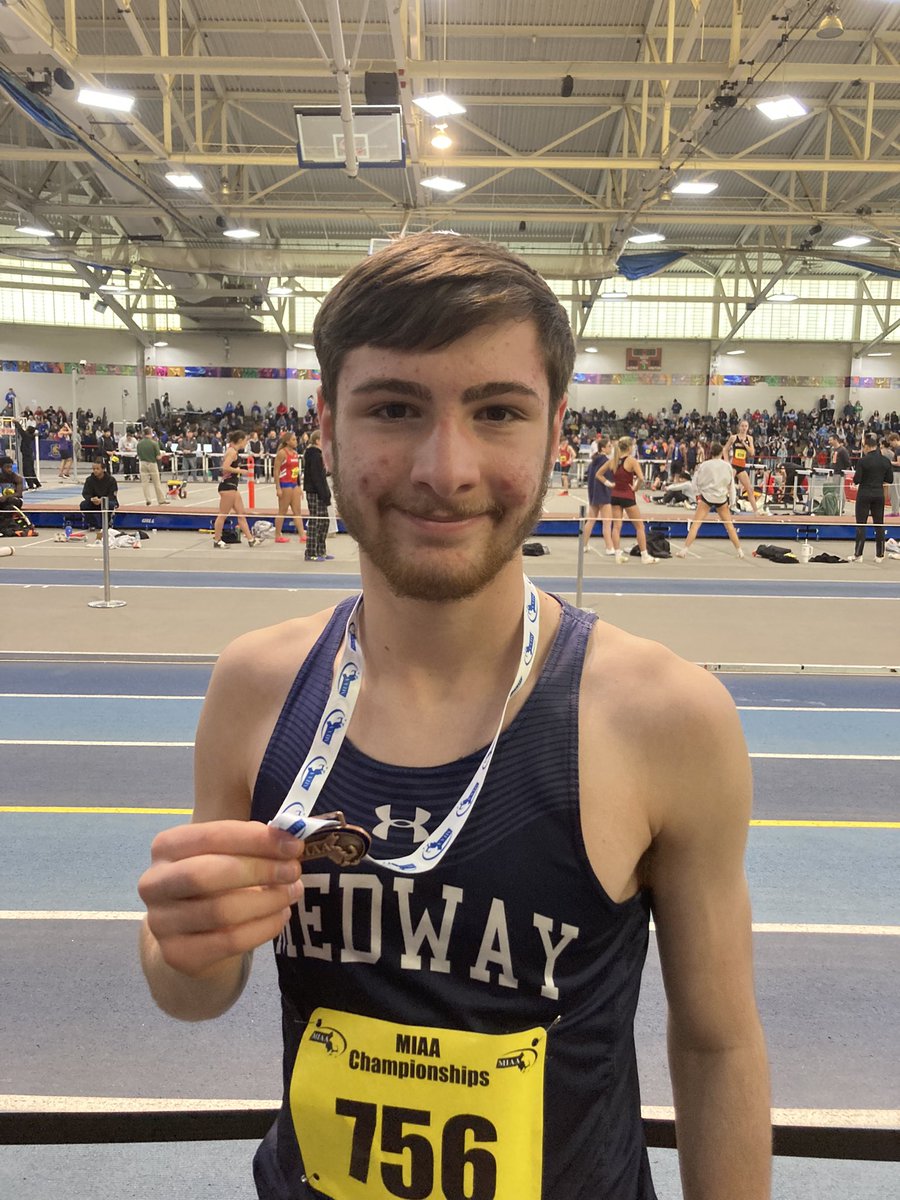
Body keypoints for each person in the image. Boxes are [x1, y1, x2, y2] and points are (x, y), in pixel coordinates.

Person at [138, 234, 770, 1200]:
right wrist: (178, 946)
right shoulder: (257, 687)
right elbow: (199, 995)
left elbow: (720, 1045)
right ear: (327, 427)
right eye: (394, 407)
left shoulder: (665, 716)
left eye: (497, 411)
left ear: (556, 432)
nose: (447, 467)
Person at [596, 435, 659, 564]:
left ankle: (618, 554)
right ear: (630, 448)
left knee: (617, 526)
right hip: (627, 496)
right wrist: (635, 488)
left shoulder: (613, 461)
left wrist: (609, 484)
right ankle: (644, 555)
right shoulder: (631, 461)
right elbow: (641, 478)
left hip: (614, 496)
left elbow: (599, 474)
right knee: (639, 526)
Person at [676, 443, 744, 559]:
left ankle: (684, 550)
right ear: (721, 453)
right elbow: (731, 484)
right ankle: (740, 551)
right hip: (722, 498)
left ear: (711, 452)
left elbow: (695, 482)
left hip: (706, 497)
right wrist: (732, 502)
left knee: (695, 525)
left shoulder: (704, 465)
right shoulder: (727, 466)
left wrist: (698, 494)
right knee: (729, 526)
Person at [213, 430, 259, 548]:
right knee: (222, 514)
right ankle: (217, 540)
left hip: (233, 486)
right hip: (227, 487)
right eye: (245, 441)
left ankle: (251, 539)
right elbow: (225, 467)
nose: (246, 443)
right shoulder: (232, 452)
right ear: (240, 441)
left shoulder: (234, 452)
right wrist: (240, 471)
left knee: (241, 513)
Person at [851, 432, 893, 562]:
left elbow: (857, 479)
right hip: (878, 494)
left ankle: (858, 554)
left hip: (864, 493)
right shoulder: (886, 461)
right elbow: (889, 479)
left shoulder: (863, 461)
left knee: (861, 524)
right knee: (879, 524)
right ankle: (879, 555)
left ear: (868, 447)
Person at [581, 434, 615, 556]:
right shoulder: (606, 462)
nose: (611, 448)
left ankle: (583, 545)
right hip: (604, 494)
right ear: (603, 449)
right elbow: (609, 478)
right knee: (607, 522)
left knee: (591, 520)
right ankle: (609, 547)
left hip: (593, 495)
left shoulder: (592, 462)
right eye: (609, 446)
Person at [303, 429, 332, 561]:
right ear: (317, 441)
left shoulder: (319, 455)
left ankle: (321, 550)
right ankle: (311, 552)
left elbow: (321, 474)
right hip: (315, 492)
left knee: (324, 521)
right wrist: (324, 494)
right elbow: (316, 477)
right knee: (315, 521)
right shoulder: (314, 455)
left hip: (319, 490)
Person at [273, 431, 304, 545]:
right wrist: (278, 488)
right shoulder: (282, 453)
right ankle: (277, 534)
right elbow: (276, 470)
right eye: (293, 440)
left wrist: (299, 486)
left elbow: (296, 471)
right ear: (287, 441)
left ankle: (302, 535)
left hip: (294, 483)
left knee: (297, 511)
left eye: (296, 439)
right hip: (285, 483)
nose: (296, 441)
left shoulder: (295, 453)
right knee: (282, 511)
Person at [724, 420, 759, 513]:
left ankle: (756, 511)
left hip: (741, 467)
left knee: (750, 489)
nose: (744, 428)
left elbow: (752, 452)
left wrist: (744, 444)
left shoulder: (749, 438)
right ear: (739, 427)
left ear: (748, 428)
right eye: (742, 426)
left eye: (746, 426)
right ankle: (727, 506)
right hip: (734, 465)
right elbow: (725, 449)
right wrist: (727, 462)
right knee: (728, 487)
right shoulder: (733, 438)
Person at [79, 459, 119, 539]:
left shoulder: (111, 480)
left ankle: (106, 524)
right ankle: (92, 524)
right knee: (83, 504)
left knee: (110, 504)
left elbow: (112, 495)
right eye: (94, 469)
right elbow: (85, 493)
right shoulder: (89, 480)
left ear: (103, 469)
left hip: (107, 501)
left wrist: (102, 500)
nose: (95, 471)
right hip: (94, 501)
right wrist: (91, 499)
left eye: (97, 469)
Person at [137, 427, 169, 506]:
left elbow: (138, 455)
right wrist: (162, 455)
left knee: (145, 483)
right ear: (151, 433)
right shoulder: (154, 443)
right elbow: (158, 457)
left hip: (142, 463)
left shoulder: (139, 443)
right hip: (152, 463)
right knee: (156, 482)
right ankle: (161, 499)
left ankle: (148, 499)